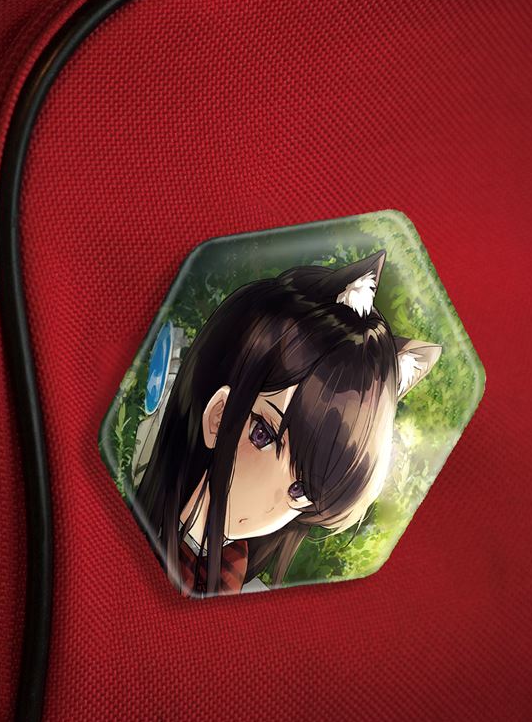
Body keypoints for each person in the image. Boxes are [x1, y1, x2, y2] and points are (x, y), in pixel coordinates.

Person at [134, 250, 441, 596]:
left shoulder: (246, 592)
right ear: (218, 414)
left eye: (301, 490)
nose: (269, 502)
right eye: (262, 434)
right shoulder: (133, 489)